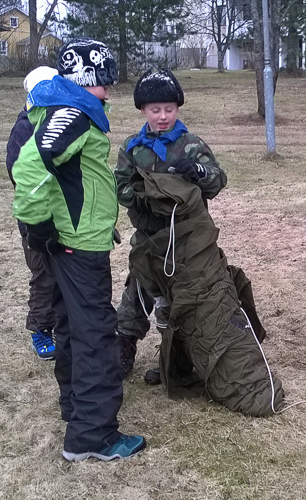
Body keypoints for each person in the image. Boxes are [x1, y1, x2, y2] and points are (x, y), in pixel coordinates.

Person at [12, 38, 146, 461]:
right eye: (105, 80)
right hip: (77, 246)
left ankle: (75, 407)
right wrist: (37, 227)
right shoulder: (71, 113)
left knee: (72, 328)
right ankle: (93, 436)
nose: (110, 89)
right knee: (96, 336)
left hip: (73, 240)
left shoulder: (68, 108)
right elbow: (32, 167)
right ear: (87, 79)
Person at [114, 67, 227, 382]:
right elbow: (120, 187)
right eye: (155, 110)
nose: (163, 116)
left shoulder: (191, 145)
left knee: (180, 302)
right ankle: (123, 347)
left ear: (178, 108)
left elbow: (218, 181)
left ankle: (176, 360)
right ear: (143, 110)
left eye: (169, 109)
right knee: (136, 294)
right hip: (148, 238)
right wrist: (146, 197)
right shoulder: (133, 148)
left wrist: (198, 172)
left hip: (186, 241)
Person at [6, 65, 60, 361]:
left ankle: (63, 324)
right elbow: (19, 173)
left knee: (63, 272)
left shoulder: (61, 121)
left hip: (63, 216)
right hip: (34, 220)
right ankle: (40, 328)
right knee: (43, 275)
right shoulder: (25, 127)